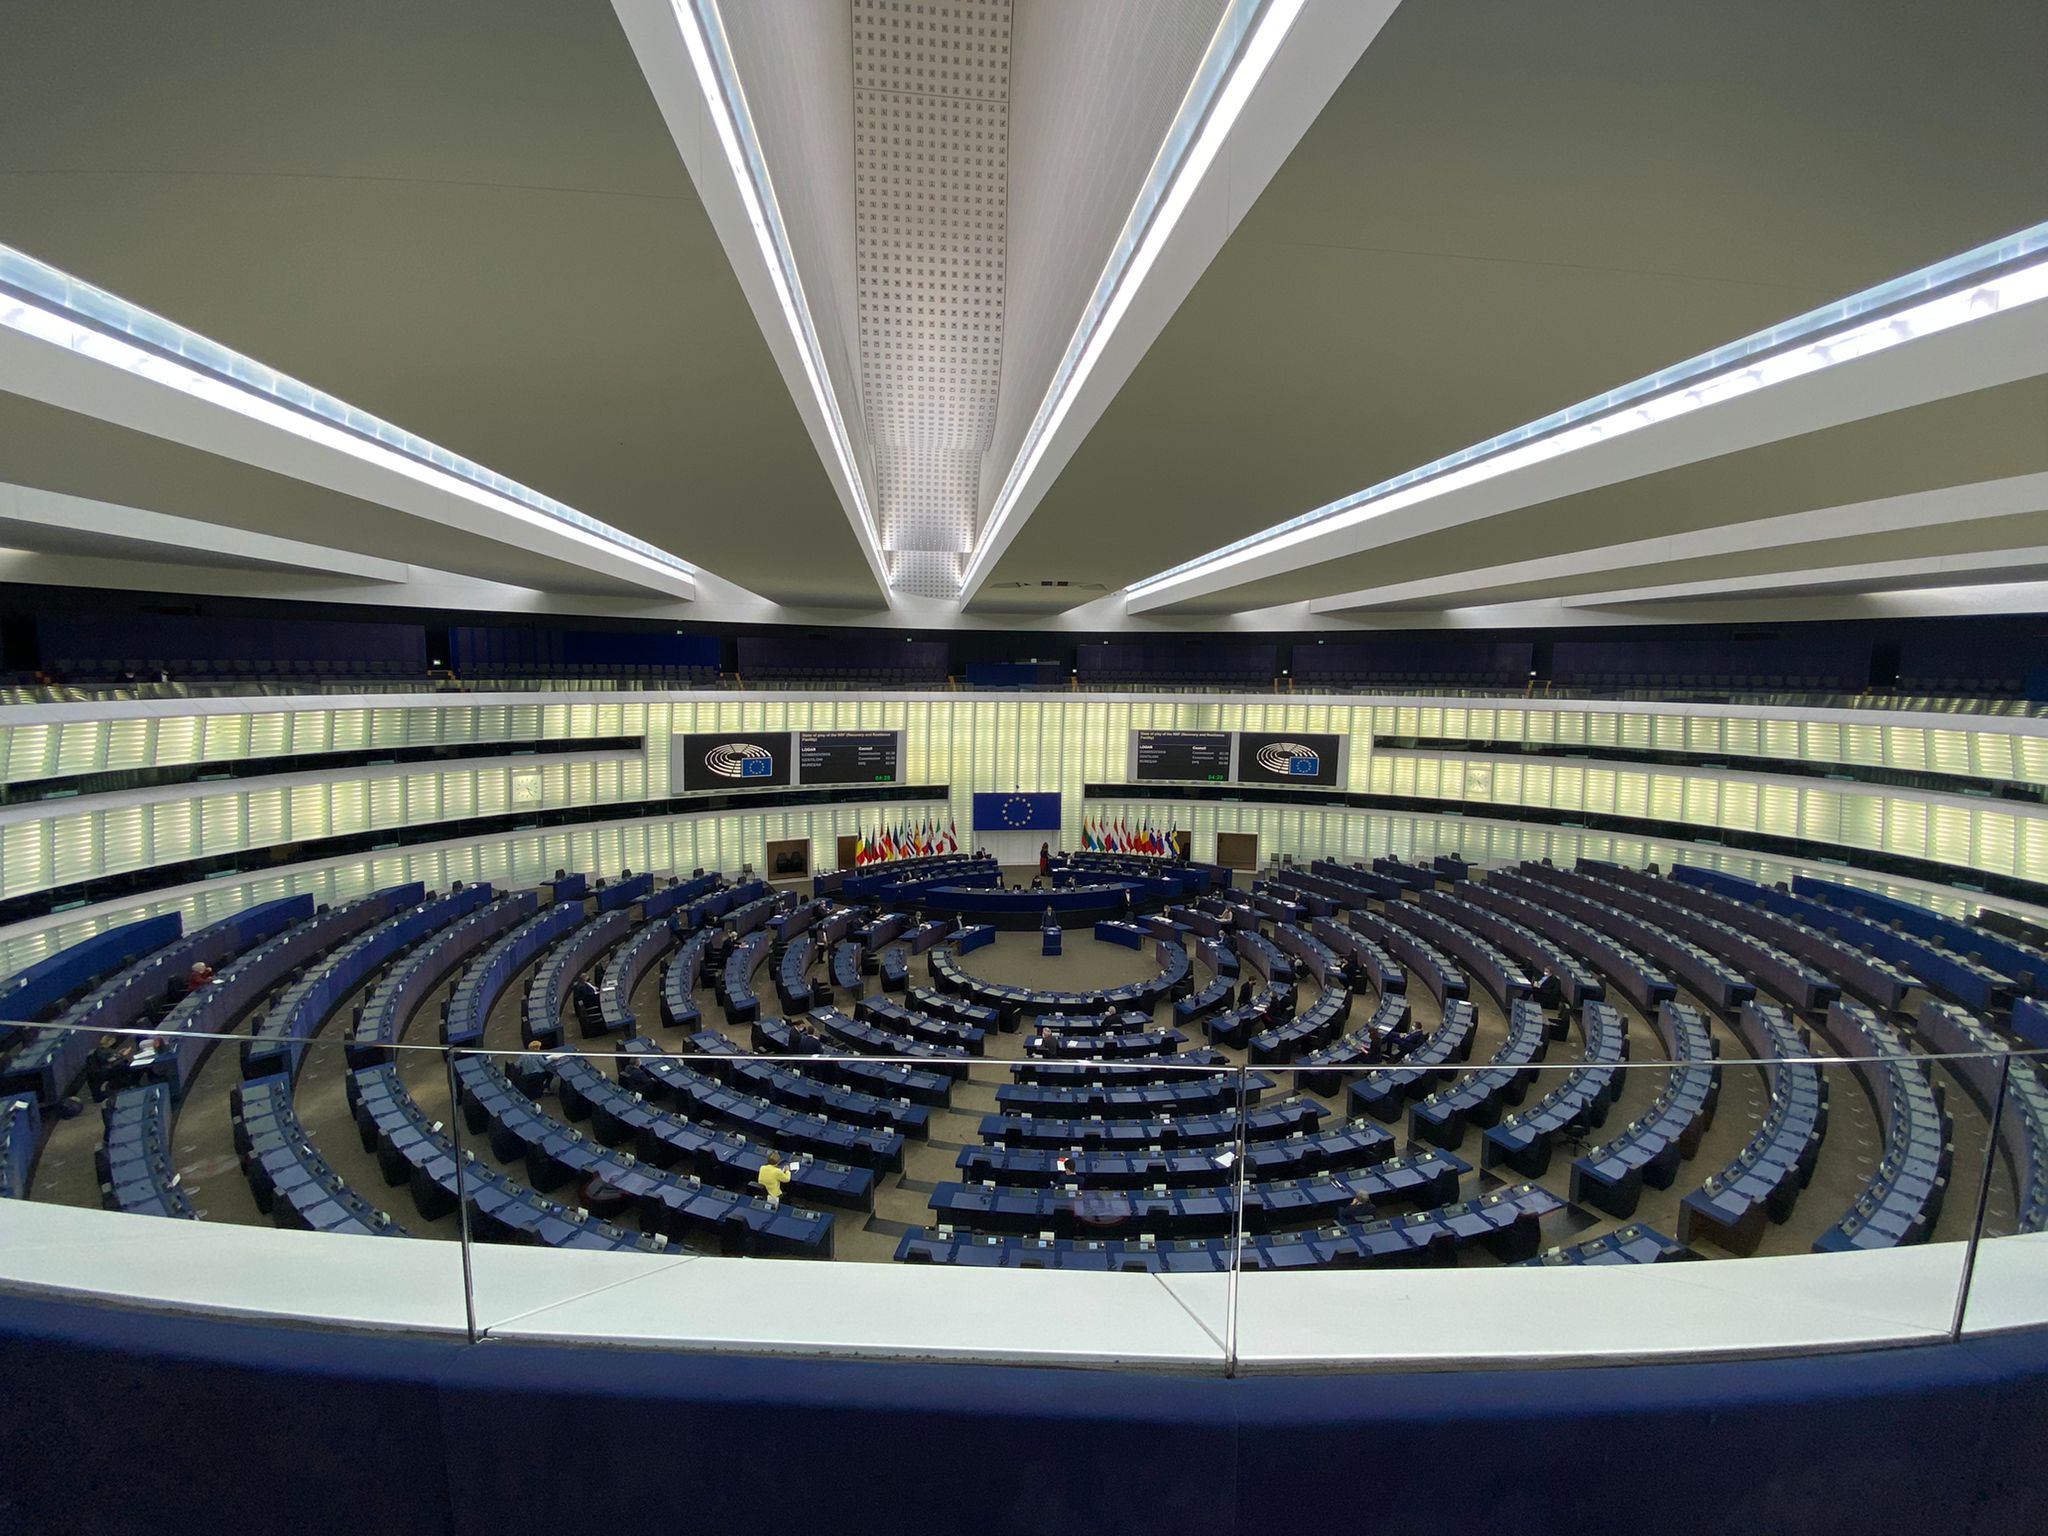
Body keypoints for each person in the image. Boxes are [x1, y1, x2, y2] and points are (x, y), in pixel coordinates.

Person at [84, 1034, 130, 1101]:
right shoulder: (100, 1051)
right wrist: (121, 1055)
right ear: (111, 1041)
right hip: (101, 1073)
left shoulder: (99, 1050)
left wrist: (118, 1054)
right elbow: (109, 1060)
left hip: (97, 1074)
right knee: (123, 1066)